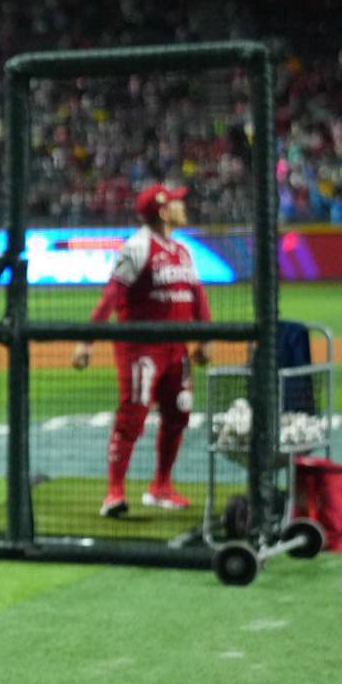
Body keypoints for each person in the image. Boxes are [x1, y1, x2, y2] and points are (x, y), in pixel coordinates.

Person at [72, 184, 213, 517]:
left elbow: (197, 294)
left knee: (178, 414)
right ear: (163, 211)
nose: (183, 206)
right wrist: (86, 340)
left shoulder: (182, 250)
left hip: (176, 350)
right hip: (142, 349)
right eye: (177, 202)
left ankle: (161, 486)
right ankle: (114, 493)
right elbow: (112, 296)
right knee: (132, 416)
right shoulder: (137, 247)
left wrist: (206, 338)